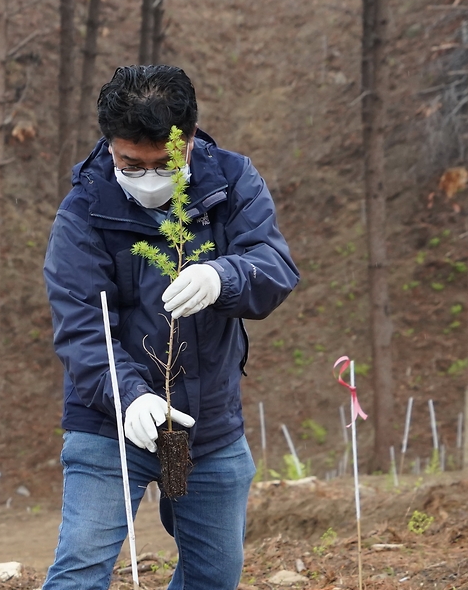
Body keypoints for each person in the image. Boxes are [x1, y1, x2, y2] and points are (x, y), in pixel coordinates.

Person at [42, 65, 300, 590]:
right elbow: (82, 328)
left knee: (214, 574)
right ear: (109, 145)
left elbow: (275, 265)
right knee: (81, 569)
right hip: (110, 425)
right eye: (129, 164)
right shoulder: (83, 211)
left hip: (207, 427)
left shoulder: (232, 181)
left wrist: (223, 275)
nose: (149, 178)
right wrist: (129, 396)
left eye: (163, 163)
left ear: (187, 143)